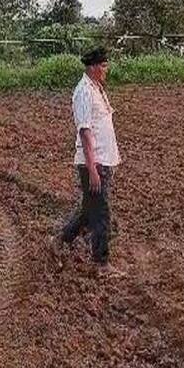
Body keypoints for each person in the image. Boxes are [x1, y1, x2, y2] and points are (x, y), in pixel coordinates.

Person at [59, 46, 122, 275]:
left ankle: (63, 240)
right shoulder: (84, 91)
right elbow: (85, 132)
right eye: (104, 66)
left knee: (89, 209)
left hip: (103, 160)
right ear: (94, 67)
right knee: (102, 212)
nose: (106, 70)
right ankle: (101, 263)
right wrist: (93, 168)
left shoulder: (96, 88)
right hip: (93, 163)